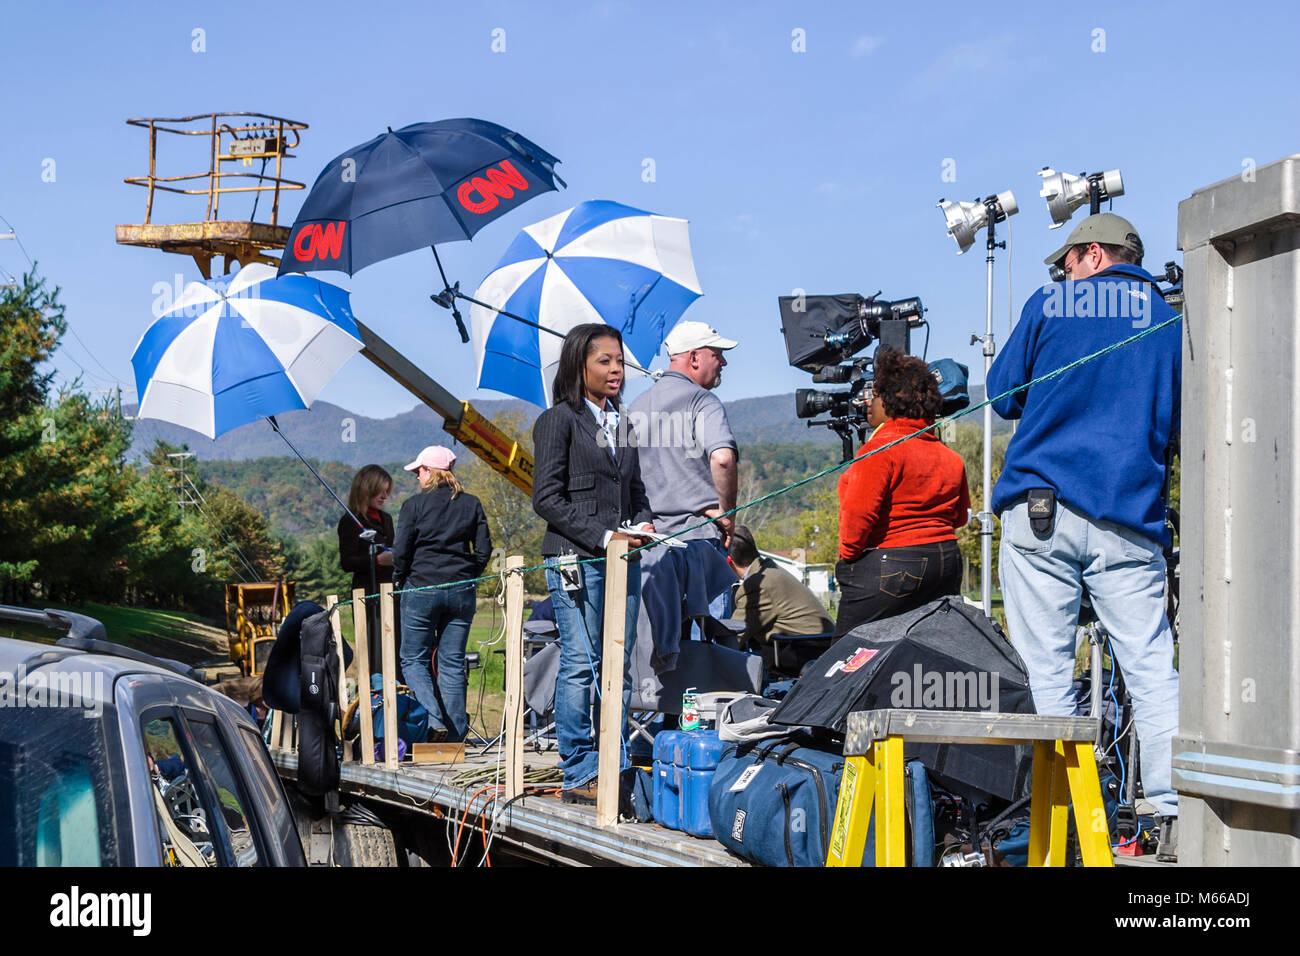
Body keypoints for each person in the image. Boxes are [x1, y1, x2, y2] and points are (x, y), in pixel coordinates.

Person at [988, 212, 1181, 859]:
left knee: (1049, 676)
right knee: (1152, 667)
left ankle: (1071, 830)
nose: (1062, 271)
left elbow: (1001, 394)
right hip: (1129, 518)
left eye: (1065, 260)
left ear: (1093, 254)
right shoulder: (1170, 318)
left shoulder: (1056, 302)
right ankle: (1173, 819)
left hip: (1043, 509)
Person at [532, 323, 655, 803]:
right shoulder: (557, 420)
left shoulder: (624, 424)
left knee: (618, 667)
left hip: (626, 559)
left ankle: (615, 760)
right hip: (575, 559)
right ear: (579, 365)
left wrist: (641, 526)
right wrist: (605, 536)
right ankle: (580, 768)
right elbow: (546, 498)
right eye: (605, 361)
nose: (617, 370)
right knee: (581, 665)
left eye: (620, 361)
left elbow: (638, 494)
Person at [628, 320, 740, 671]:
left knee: (651, 660)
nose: (723, 362)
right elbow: (722, 458)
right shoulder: (702, 400)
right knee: (706, 659)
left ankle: (656, 724)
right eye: (718, 354)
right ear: (694, 357)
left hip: (646, 551)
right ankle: (694, 724)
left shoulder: (634, 407)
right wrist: (727, 513)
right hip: (697, 547)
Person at [835, 347, 971, 636]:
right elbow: (958, 518)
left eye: (875, 394)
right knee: (922, 653)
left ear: (890, 400)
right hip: (946, 562)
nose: (869, 402)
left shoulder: (879, 450)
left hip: (895, 566)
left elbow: (856, 523)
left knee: (844, 660)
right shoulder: (950, 457)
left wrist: (848, 562)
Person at [391, 445, 492, 743]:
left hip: (421, 587)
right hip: (461, 591)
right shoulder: (471, 504)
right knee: (452, 662)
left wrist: (400, 580)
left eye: (418, 472)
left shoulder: (413, 506)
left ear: (429, 471)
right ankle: (455, 738)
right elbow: (483, 550)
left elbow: (401, 552)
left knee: (412, 660)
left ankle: (433, 719)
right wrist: (467, 575)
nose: (416, 478)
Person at [727, 525, 832, 649]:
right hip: (818, 647)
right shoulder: (768, 570)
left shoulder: (758, 585)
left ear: (729, 561)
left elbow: (731, 639)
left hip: (808, 654)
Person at [337, 464, 395, 677]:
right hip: (366, 594)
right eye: (380, 491)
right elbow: (347, 562)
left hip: (390, 592)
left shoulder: (387, 519)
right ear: (366, 489)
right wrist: (377, 560)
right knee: (372, 646)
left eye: (386, 491)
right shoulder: (350, 521)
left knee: (392, 644)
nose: (384, 496)